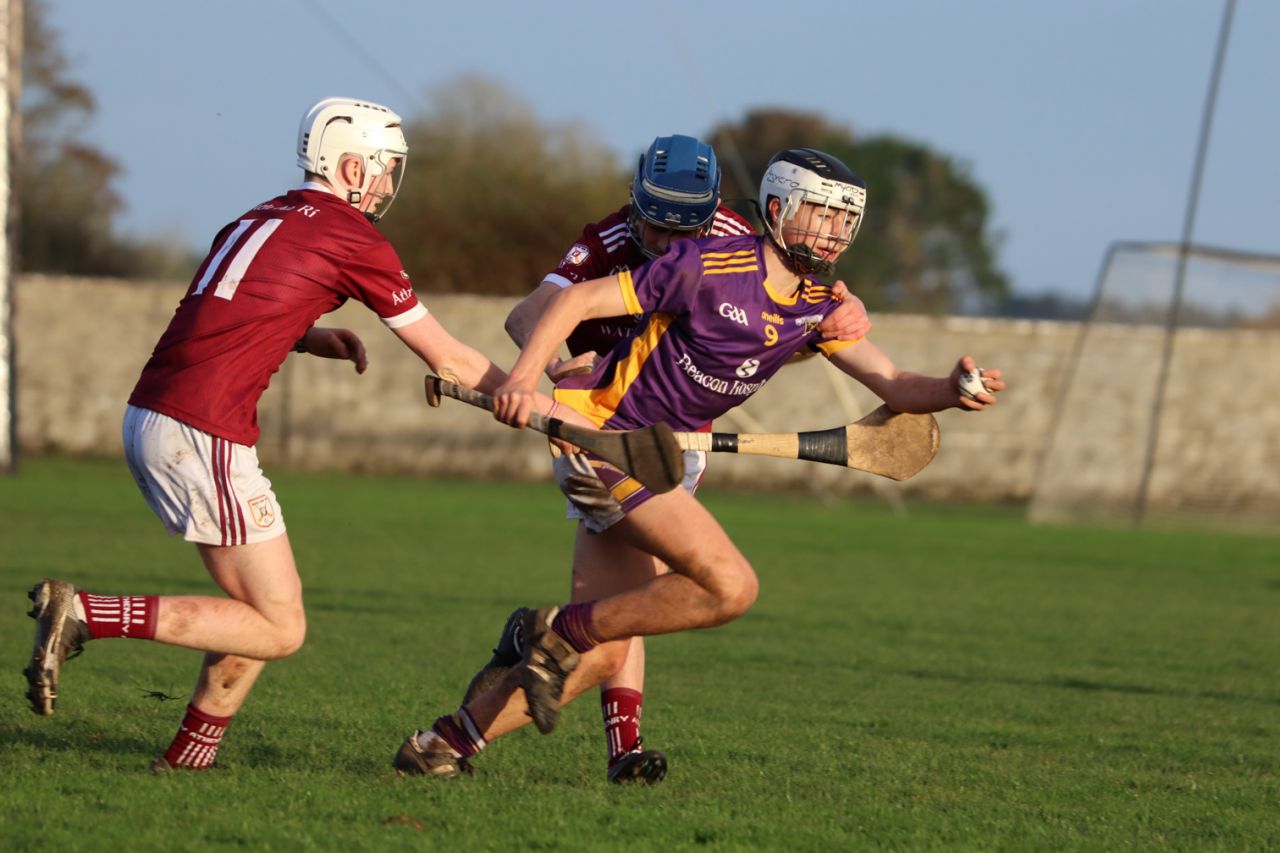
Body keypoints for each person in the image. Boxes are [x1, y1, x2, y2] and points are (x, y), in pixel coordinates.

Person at [391, 147, 1004, 780]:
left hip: (668, 454)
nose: (833, 231)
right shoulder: (703, 262)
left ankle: (446, 741)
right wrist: (526, 379)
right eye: (819, 214)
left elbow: (897, 385)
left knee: (605, 651)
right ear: (777, 209)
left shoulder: (819, 303)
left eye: (842, 220)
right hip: (607, 439)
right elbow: (568, 305)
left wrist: (953, 391)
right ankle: (553, 631)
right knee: (728, 586)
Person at [22, 96, 575, 772]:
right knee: (281, 626)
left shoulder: (262, 214)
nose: (389, 187)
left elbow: (221, 307)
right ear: (349, 166)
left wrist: (308, 338)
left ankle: (188, 762)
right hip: (202, 429)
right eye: (384, 171)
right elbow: (451, 359)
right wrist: (549, 411)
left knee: (258, 610)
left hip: (154, 415)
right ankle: (89, 612)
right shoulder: (351, 235)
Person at [459, 135, 872, 784]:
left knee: (630, 603)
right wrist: (559, 365)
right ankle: (591, 740)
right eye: (653, 224)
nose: (665, 240)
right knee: (621, 609)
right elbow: (528, 315)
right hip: (608, 428)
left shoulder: (740, 234)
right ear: (635, 203)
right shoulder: (604, 241)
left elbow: (775, 317)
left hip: (685, 440)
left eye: (685, 227)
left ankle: (479, 722)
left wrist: (841, 310)